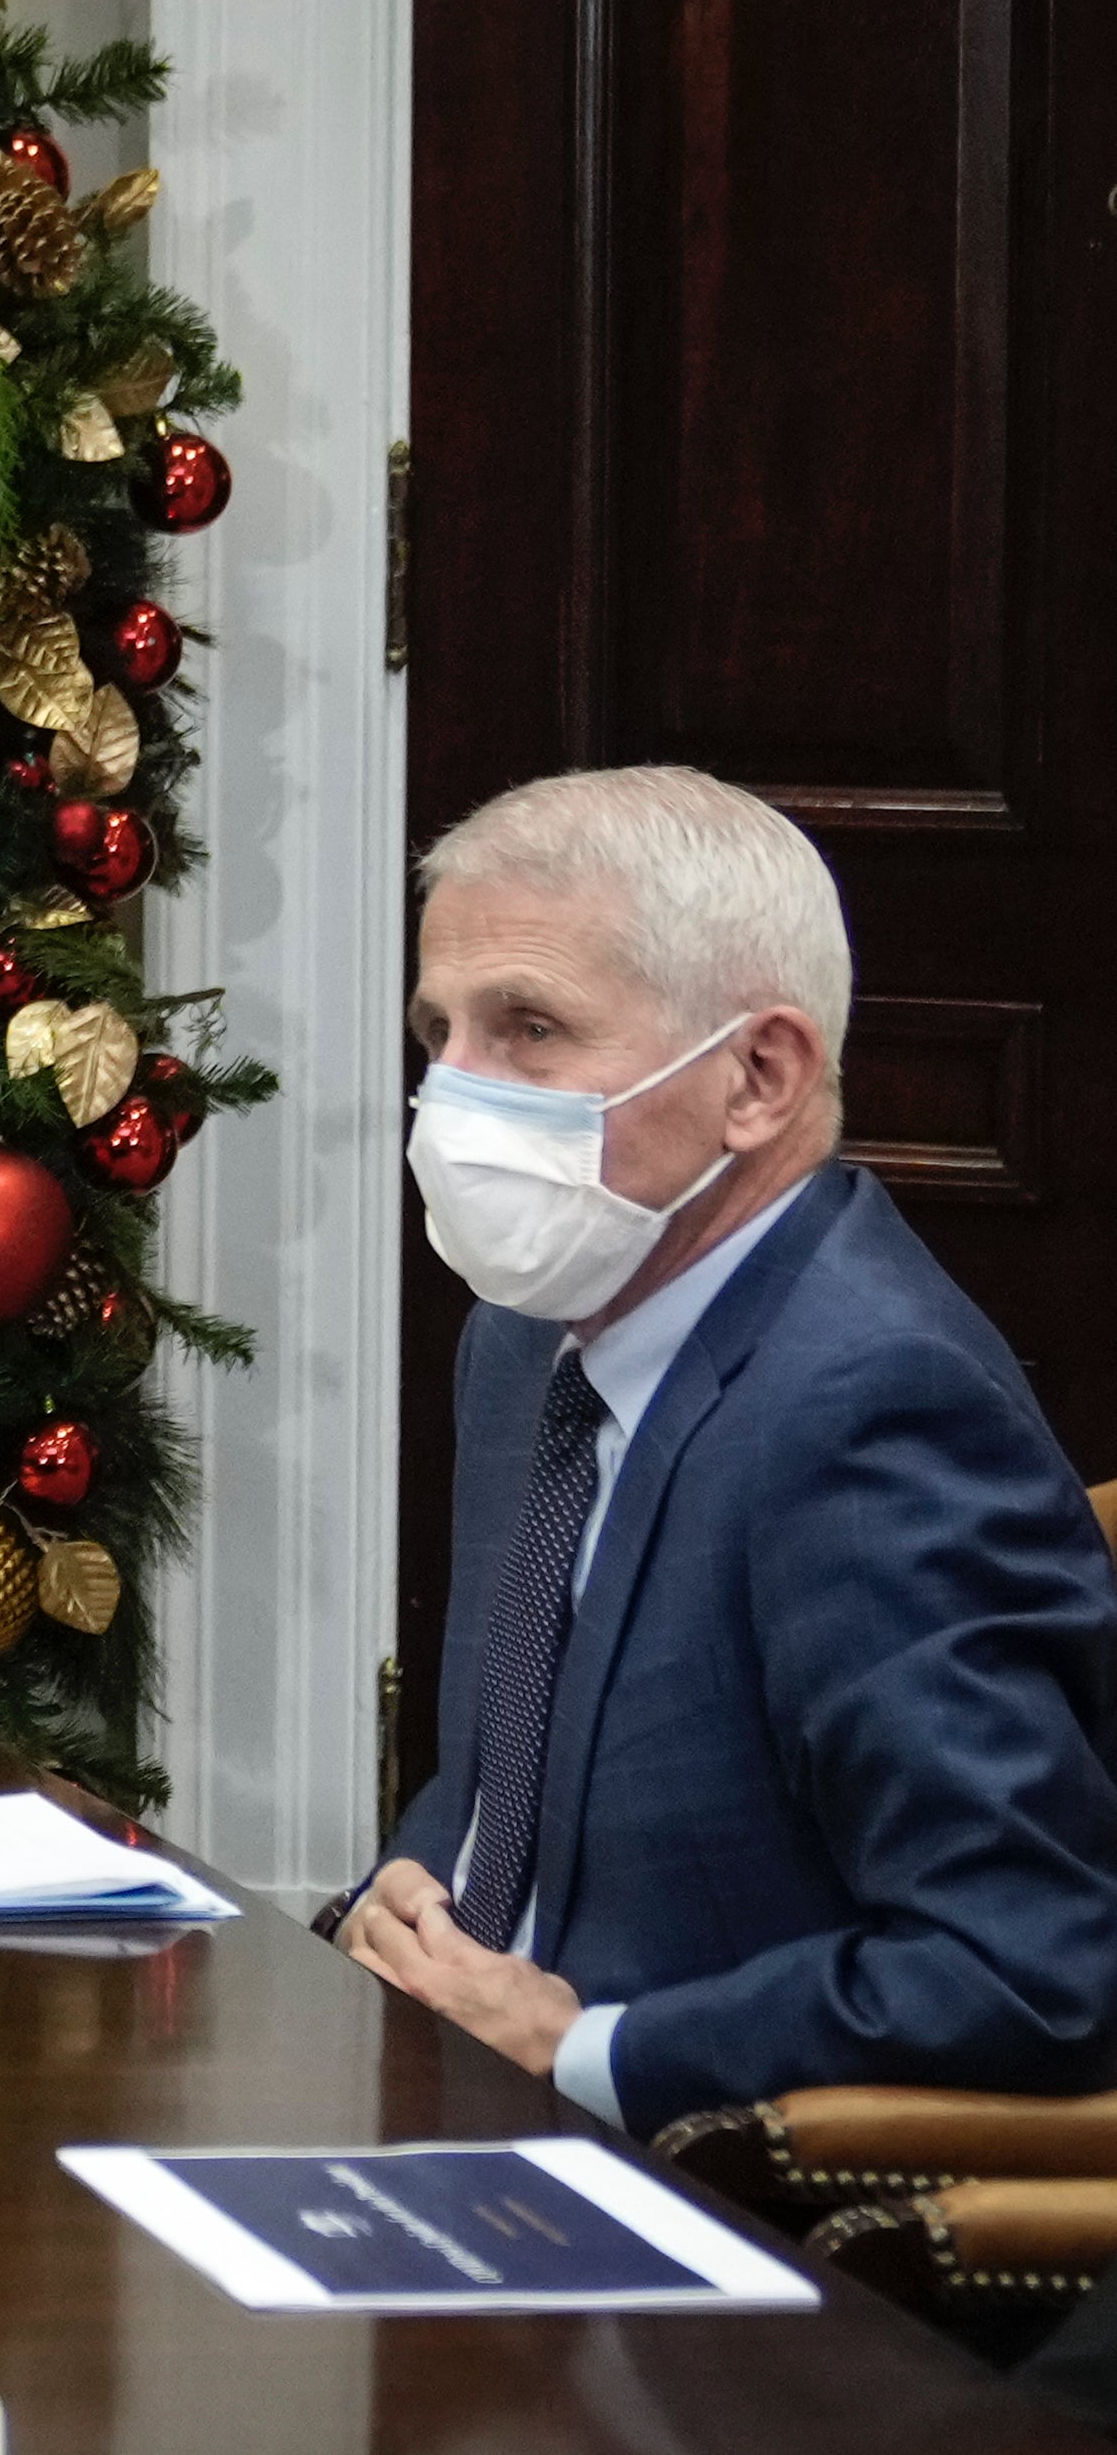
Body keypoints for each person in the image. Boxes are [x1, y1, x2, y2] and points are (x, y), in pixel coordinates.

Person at [331, 764, 1117, 2139]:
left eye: (525, 1029)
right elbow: (508, 1777)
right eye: (434, 1029)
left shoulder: (870, 1407)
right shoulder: (524, 1341)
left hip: (743, 2221)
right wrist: (402, 1901)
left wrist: (590, 2049)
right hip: (458, 2135)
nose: (448, 1096)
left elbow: (1027, 1966)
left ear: (756, 1077)